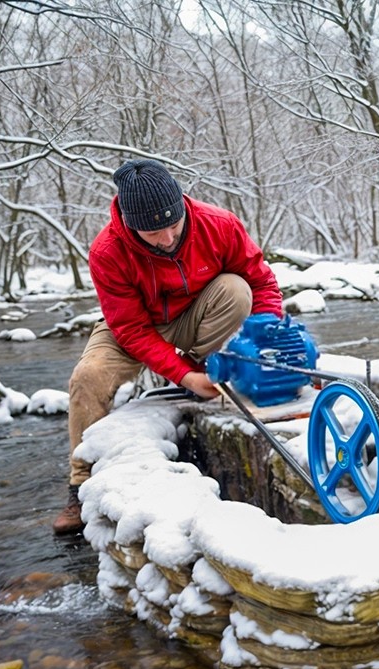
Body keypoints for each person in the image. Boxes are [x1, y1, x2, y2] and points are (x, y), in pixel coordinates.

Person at [53, 159, 283, 535]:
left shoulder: (219, 225)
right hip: (133, 327)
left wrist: (266, 333)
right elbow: (131, 329)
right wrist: (182, 375)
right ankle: (79, 485)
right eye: (153, 233)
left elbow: (262, 284)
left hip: (195, 314)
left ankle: (203, 370)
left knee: (236, 290)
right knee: (88, 377)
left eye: (173, 226)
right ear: (130, 224)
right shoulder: (107, 251)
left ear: (181, 205)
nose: (166, 238)